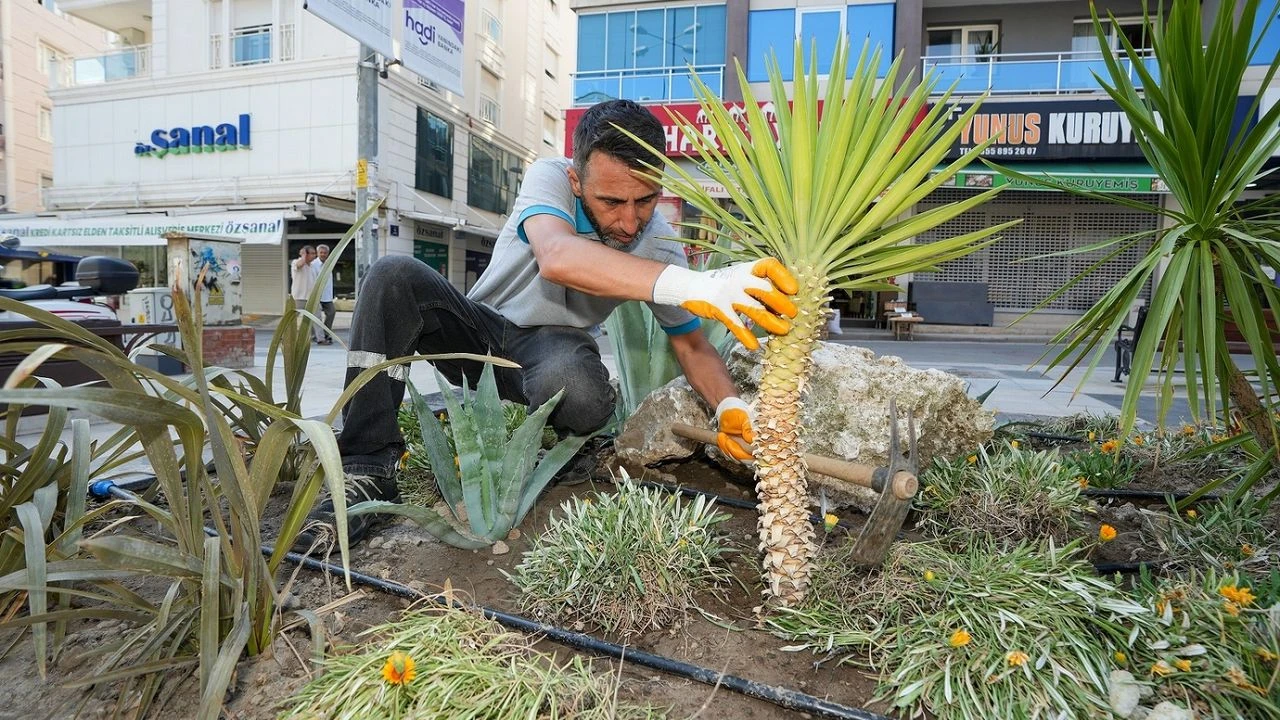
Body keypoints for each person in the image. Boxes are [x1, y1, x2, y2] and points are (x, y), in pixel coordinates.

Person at [294, 99, 798, 549]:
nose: (629, 222)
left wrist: (729, 405)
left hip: (553, 351)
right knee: (392, 275)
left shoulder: (659, 241)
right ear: (577, 181)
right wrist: (699, 285)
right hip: (480, 337)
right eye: (611, 202)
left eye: (645, 201)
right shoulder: (550, 177)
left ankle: (570, 446)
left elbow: (690, 342)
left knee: (578, 385)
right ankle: (367, 464)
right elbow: (557, 256)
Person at [290, 245, 320, 343]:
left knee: (317, 318)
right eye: (311, 253)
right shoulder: (296, 262)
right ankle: (286, 336)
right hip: (299, 297)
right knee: (292, 319)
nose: (314, 256)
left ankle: (320, 338)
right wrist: (303, 255)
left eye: (314, 253)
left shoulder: (313, 266)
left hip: (311, 297)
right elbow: (299, 265)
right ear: (306, 254)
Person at [311, 244, 336, 345]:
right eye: (321, 252)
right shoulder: (313, 265)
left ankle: (325, 333)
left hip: (327, 295)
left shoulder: (329, 263)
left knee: (331, 312)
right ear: (317, 253)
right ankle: (317, 336)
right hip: (317, 295)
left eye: (325, 253)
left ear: (328, 254)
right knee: (316, 317)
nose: (323, 254)